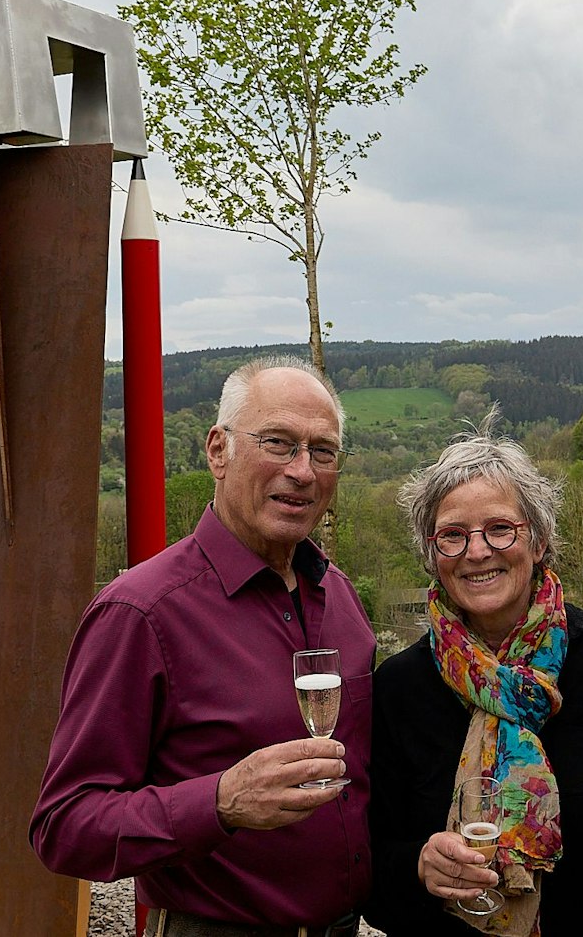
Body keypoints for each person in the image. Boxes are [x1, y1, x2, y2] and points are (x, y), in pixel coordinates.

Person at [32, 356, 374, 936]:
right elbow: (64, 827)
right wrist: (220, 802)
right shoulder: (141, 612)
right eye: (278, 442)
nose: (303, 471)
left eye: (323, 451)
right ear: (218, 450)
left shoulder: (338, 596)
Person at [365, 420, 583, 936]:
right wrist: (418, 866)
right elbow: (368, 869)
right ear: (432, 555)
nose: (477, 552)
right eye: (453, 535)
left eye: (500, 529)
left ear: (537, 541)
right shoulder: (398, 687)